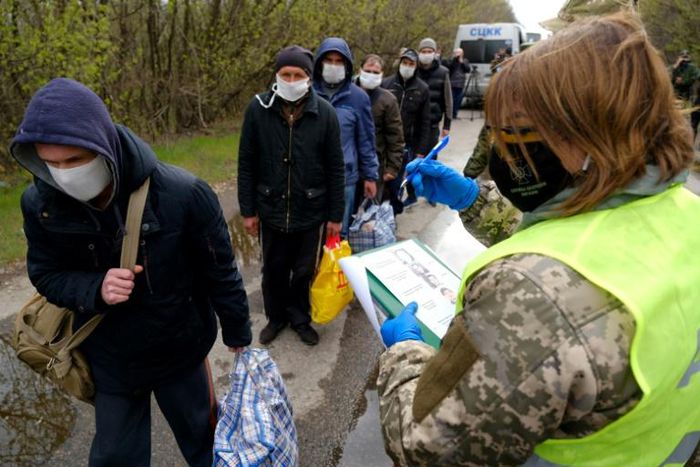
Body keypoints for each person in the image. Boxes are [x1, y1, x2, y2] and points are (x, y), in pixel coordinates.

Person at [378, 12, 700, 466]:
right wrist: (474, 199)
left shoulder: (530, 296)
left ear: (588, 130)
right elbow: (586, 252)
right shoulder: (686, 213)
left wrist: (404, 352)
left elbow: (426, 448)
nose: (504, 151)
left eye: (518, 132)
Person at [10, 78, 252, 466]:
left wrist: (238, 331)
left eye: (74, 161)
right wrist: (95, 288)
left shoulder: (183, 193)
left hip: (180, 350)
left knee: (204, 441)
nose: (63, 174)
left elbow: (220, 270)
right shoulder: (41, 202)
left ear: (101, 145)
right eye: (50, 164)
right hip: (111, 359)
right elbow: (46, 273)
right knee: (115, 457)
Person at [238, 46, 345, 346]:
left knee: (302, 270)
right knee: (273, 269)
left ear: (309, 78)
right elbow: (246, 162)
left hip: (310, 210)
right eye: (286, 73)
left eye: (298, 74)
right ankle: (276, 317)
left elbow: (336, 168)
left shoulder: (325, 113)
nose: (291, 79)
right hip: (270, 207)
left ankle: (299, 317)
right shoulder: (258, 109)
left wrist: (336, 216)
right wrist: (248, 210)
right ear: (276, 74)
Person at [313, 37, 379, 238]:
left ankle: (335, 269)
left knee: (338, 233)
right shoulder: (307, 93)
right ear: (319, 64)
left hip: (345, 178)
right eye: (329, 60)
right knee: (311, 233)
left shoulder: (358, 97)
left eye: (338, 61)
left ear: (347, 65)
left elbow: (366, 140)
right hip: (311, 178)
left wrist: (370, 176)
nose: (333, 66)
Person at [382, 48, 431, 211]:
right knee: (380, 184)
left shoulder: (422, 89)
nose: (407, 66)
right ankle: (377, 217)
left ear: (416, 66)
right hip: (383, 143)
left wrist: (421, 150)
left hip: (406, 146)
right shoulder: (387, 83)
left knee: (397, 185)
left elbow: (425, 122)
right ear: (400, 63)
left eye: (411, 64)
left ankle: (393, 215)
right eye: (405, 62)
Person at [355, 54, 405, 204]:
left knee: (369, 213)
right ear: (360, 70)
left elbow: (395, 136)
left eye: (376, 73)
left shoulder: (387, 100)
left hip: (375, 164)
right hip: (348, 163)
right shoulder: (348, 93)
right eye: (368, 71)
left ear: (382, 74)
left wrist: (392, 168)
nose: (371, 75)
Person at [416, 38, 453, 150]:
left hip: (432, 123)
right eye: (423, 51)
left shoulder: (443, 72)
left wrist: (447, 125)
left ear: (434, 52)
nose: (426, 54)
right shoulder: (413, 70)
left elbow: (448, 100)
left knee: (430, 157)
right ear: (419, 53)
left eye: (429, 51)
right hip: (414, 122)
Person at [447, 48, 470, 120]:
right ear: (454, 53)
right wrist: (455, 60)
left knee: (458, 100)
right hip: (452, 84)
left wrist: (462, 62)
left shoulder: (465, 61)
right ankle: (449, 114)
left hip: (460, 84)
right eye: (457, 53)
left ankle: (455, 114)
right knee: (451, 100)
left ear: (462, 54)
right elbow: (450, 68)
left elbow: (467, 70)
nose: (458, 54)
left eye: (460, 53)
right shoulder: (451, 60)